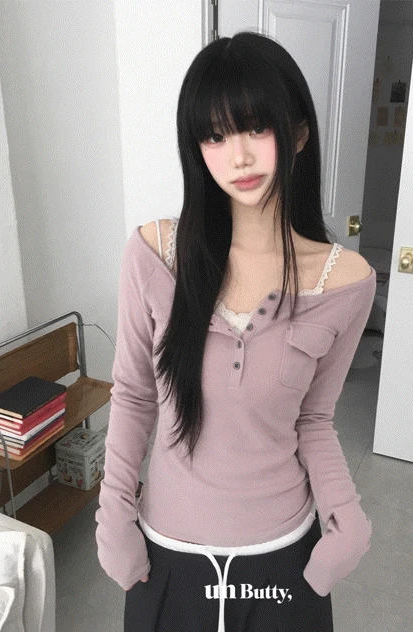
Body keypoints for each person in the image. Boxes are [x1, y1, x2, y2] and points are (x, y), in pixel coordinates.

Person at [95, 31, 377, 632]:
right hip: (166, 556)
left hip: (283, 560)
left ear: (297, 133)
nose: (238, 157)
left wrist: (347, 518)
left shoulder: (346, 282)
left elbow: (314, 418)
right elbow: (135, 394)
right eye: (215, 136)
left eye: (255, 127)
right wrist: (113, 514)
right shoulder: (154, 253)